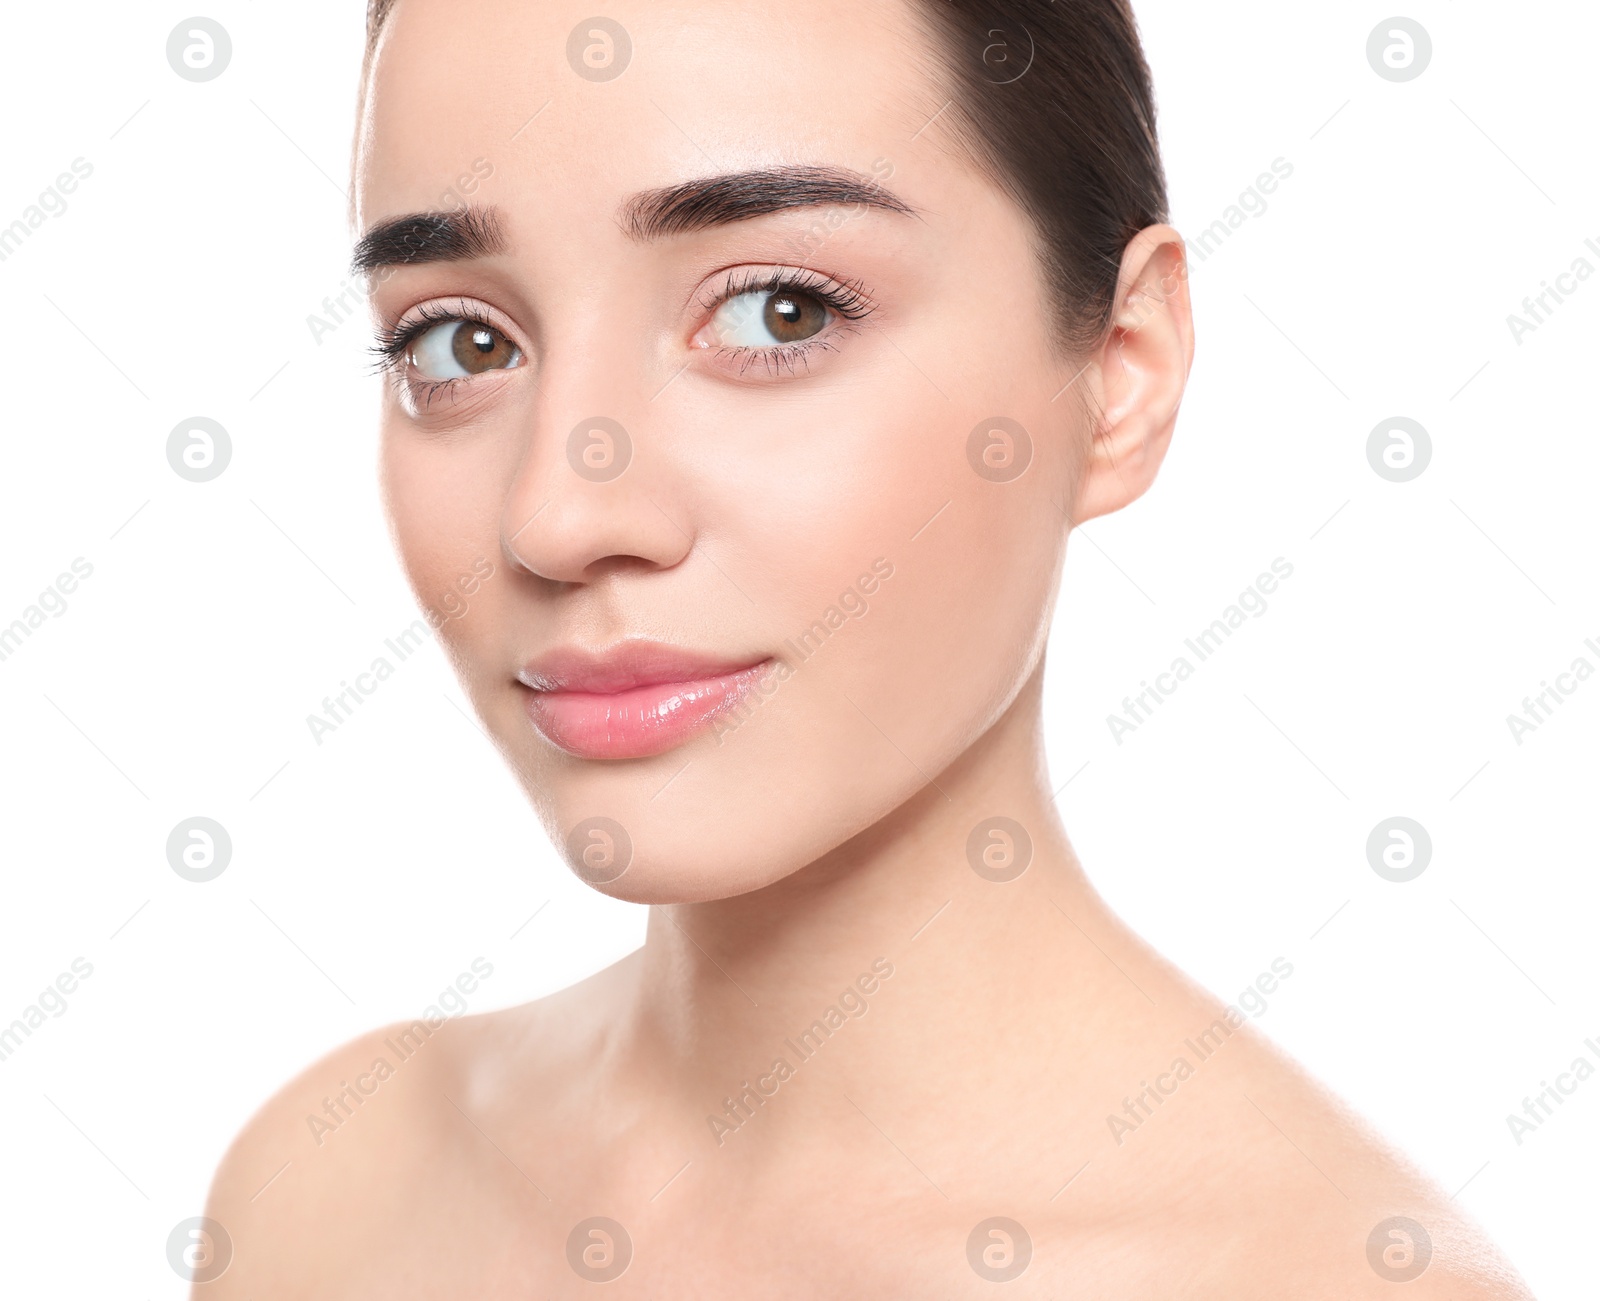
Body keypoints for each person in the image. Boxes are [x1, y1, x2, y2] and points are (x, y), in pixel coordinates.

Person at [201, 1, 1533, 1294]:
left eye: (779, 311)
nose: (557, 511)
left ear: (1125, 368)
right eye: (459, 340)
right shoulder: (324, 1196)